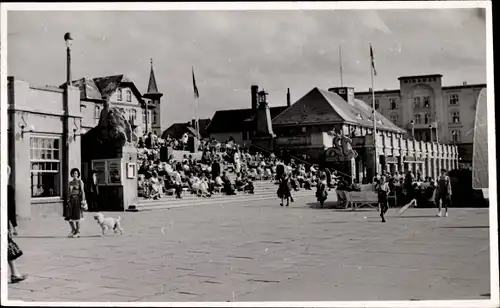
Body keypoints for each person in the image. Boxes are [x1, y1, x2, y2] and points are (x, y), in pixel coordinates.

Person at [64, 168, 87, 238]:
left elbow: (82, 191)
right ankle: (73, 229)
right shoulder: (70, 183)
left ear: (78, 174)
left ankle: (78, 231)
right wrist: (67, 200)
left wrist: (83, 200)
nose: (75, 175)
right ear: (71, 174)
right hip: (71, 200)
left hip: (77, 199)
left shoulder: (80, 182)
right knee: (69, 217)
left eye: (76, 173)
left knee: (77, 217)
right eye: (73, 173)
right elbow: (68, 192)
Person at [7, 166, 18, 236]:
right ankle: (12, 229)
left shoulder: (10, 189)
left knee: (10, 209)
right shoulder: (10, 189)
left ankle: (11, 229)